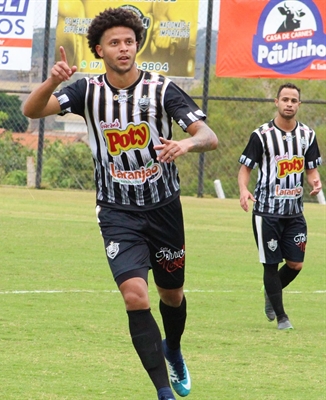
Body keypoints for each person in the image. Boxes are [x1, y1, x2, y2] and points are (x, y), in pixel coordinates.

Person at [23, 7, 218, 400]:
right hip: (116, 210)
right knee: (135, 294)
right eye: (114, 42)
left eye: (129, 41)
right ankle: (163, 391)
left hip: (163, 206)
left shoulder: (162, 90)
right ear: (100, 50)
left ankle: (174, 350)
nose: (124, 48)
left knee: (171, 294)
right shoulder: (86, 92)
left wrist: (186, 142)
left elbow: (208, 135)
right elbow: (31, 111)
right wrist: (50, 82)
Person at [238, 83, 322, 330]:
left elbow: (311, 170)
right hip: (266, 211)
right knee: (271, 264)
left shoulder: (308, 135)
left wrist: (315, 184)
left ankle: (270, 293)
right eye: (284, 99)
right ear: (276, 102)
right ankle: (282, 317)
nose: (289, 104)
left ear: (299, 104)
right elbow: (245, 168)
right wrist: (244, 190)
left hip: (295, 211)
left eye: (293, 100)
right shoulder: (261, 135)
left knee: (296, 264)